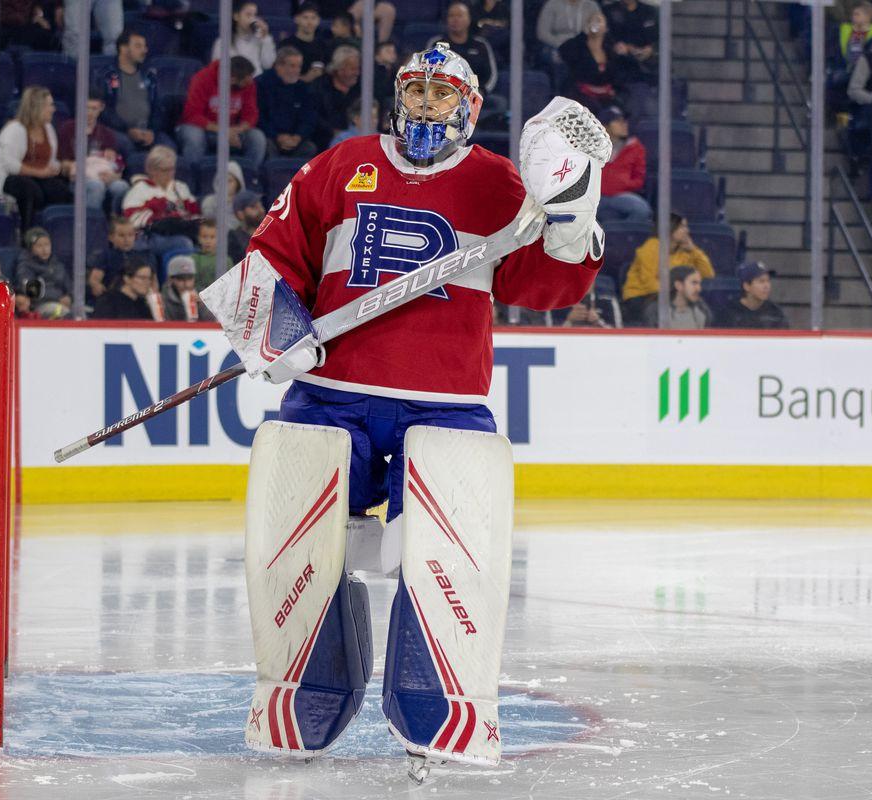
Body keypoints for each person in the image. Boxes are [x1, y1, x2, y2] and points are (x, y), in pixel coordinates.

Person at [202, 43, 602, 770]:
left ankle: (445, 703)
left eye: (441, 93)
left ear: (468, 106)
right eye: (414, 90)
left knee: (454, 549)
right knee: (292, 531)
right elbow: (273, 255)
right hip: (332, 394)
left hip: (444, 402)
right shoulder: (341, 163)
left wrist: (573, 231)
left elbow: (541, 285)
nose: (425, 104)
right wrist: (276, 331)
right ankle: (298, 693)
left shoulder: (499, 184)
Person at [0, 86, 73, 230]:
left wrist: (62, 167)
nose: (53, 109)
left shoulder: (48, 128)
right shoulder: (15, 129)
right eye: (50, 105)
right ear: (38, 107)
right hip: (11, 178)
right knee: (30, 190)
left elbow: (50, 161)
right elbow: (10, 165)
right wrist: (40, 173)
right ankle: (27, 235)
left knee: (61, 190)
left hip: (39, 177)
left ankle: (55, 234)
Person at [621, 214, 714, 324]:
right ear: (670, 227)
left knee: (700, 305)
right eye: (682, 227)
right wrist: (674, 293)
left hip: (672, 296)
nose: (687, 230)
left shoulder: (685, 251)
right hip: (641, 297)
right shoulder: (651, 248)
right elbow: (649, 284)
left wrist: (694, 250)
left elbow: (708, 274)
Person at [179, 56, 266, 168]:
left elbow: (251, 114)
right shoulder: (202, 78)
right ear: (232, 79)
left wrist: (238, 129)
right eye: (245, 81)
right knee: (194, 137)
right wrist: (224, 130)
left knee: (257, 138)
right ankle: (195, 176)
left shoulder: (248, 84)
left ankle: (249, 177)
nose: (249, 83)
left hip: (233, 129)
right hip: (204, 128)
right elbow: (191, 115)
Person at [121, 144, 200, 261]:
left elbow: (195, 213)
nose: (170, 173)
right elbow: (132, 220)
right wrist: (162, 215)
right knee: (183, 243)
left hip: (182, 232)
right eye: (165, 170)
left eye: (172, 169)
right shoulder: (140, 189)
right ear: (151, 170)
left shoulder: (180, 187)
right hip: (151, 237)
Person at [57, 88, 129, 212]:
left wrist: (113, 177)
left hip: (103, 177)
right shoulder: (67, 129)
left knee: (121, 186)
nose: (89, 113)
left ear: (101, 108)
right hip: (77, 179)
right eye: (86, 108)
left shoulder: (107, 134)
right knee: (96, 186)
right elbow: (60, 164)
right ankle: (91, 224)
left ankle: (114, 223)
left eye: (94, 108)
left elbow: (116, 165)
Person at [101, 29, 169, 153]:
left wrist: (152, 131)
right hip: (119, 131)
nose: (144, 50)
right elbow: (105, 111)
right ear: (123, 48)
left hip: (147, 131)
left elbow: (158, 109)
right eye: (138, 46)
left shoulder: (149, 76)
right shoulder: (108, 76)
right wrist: (128, 129)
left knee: (167, 148)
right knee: (126, 145)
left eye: (145, 46)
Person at [256, 47, 318, 159]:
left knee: (309, 147)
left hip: (294, 139)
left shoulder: (302, 88)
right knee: (266, 145)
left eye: (299, 66)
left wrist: (298, 136)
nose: (297, 71)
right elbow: (259, 117)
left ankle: (300, 177)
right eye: (292, 66)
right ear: (278, 66)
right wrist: (277, 136)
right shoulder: (261, 84)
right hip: (270, 137)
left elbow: (309, 117)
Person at [428, 3, 497, 94]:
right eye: (451, 16)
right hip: (443, 94)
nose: (455, 19)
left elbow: (491, 75)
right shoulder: (437, 44)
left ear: (469, 19)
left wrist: (481, 91)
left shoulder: (481, 45)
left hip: (476, 95)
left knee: (499, 103)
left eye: (460, 15)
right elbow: (428, 72)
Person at [596, 105, 649, 222]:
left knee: (641, 210)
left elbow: (639, 179)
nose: (624, 124)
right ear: (605, 126)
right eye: (618, 121)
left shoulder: (635, 147)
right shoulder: (591, 146)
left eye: (624, 121)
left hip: (622, 195)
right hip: (596, 197)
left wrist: (624, 184)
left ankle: (623, 239)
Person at [87, 215, 158, 298]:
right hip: (113, 298)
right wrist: (97, 286)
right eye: (121, 235)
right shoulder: (105, 256)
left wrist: (152, 295)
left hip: (139, 299)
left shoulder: (145, 256)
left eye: (130, 235)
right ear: (111, 237)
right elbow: (94, 280)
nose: (126, 239)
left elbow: (153, 282)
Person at [558, 11, 617, 109]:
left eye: (599, 20)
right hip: (581, 95)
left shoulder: (610, 49)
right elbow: (565, 54)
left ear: (606, 28)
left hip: (606, 96)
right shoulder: (576, 45)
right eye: (592, 20)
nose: (595, 23)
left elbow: (614, 75)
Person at [14, 227, 72, 319]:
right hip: (40, 306)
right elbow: (33, 293)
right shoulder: (25, 266)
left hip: (62, 304)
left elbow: (70, 287)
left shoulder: (57, 264)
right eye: (39, 246)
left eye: (47, 244)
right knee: (65, 314)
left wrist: (69, 297)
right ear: (31, 248)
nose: (45, 249)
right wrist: (58, 299)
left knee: (80, 313)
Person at [310, 45, 360, 151]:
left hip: (356, 138)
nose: (357, 73)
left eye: (357, 68)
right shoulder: (319, 87)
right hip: (324, 140)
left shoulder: (360, 88)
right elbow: (313, 117)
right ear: (339, 69)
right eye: (352, 69)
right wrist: (333, 132)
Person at [714, 261, 789, 329]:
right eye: (761, 281)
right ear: (746, 286)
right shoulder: (728, 313)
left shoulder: (775, 313)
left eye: (768, 281)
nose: (767, 286)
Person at [212, 0, 275, 75]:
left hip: (255, 83)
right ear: (236, 16)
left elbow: (268, 64)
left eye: (255, 16)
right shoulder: (223, 42)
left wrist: (265, 38)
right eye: (248, 15)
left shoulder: (260, 40)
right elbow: (216, 69)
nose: (252, 19)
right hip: (232, 83)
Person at [640, 265, 710, 328]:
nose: (699, 288)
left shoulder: (702, 309)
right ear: (678, 285)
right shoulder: (655, 311)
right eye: (694, 283)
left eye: (699, 283)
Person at [606, 0, 658, 82]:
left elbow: (659, 38)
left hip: (647, 65)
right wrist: (617, 47)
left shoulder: (649, 11)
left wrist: (650, 49)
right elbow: (604, 38)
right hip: (620, 65)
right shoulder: (608, 11)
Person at [91, 259, 158, 319]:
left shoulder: (142, 305)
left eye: (149, 278)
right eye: (142, 278)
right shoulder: (109, 301)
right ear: (127, 279)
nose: (147, 282)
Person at [281, 2, 328, 82]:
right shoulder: (286, 45)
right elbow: (280, 75)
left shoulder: (323, 46)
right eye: (305, 17)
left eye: (313, 18)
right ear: (296, 19)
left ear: (318, 21)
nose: (310, 22)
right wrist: (305, 78)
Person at [159, 254, 210, 320]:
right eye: (180, 279)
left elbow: (216, 325)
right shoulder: (164, 299)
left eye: (190, 278)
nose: (187, 284)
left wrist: (201, 306)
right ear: (170, 279)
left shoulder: (203, 295)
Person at [535, 0, 600, 52]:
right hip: (557, 45)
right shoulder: (552, 4)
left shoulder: (592, 5)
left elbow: (597, 28)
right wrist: (560, 45)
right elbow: (542, 33)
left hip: (584, 45)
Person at [200, 159, 244, 225]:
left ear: (238, 183)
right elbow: (209, 224)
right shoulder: (209, 201)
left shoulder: (244, 203)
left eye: (230, 181)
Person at [190, 217, 230, 286]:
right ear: (199, 238)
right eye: (204, 237)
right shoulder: (193, 259)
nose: (208, 241)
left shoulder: (226, 260)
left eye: (212, 237)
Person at [839, 0, 872, 69]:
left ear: (868, 16)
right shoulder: (844, 29)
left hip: (866, 68)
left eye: (857, 14)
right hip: (845, 67)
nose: (853, 17)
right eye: (853, 14)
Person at [227, 189, 264, 262]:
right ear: (240, 214)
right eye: (254, 207)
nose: (261, 210)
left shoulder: (269, 233)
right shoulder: (234, 239)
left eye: (260, 205)